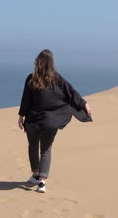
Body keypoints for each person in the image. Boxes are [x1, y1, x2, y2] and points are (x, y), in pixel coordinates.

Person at [17, 49, 92, 193]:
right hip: (50, 121)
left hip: (33, 121)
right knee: (46, 149)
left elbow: (25, 101)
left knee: (33, 147)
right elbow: (71, 92)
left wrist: (21, 116)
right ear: (51, 63)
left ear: (37, 62)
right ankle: (41, 182)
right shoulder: (56, 78)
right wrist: (84, 104)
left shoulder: (31, 78)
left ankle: (35, 175)